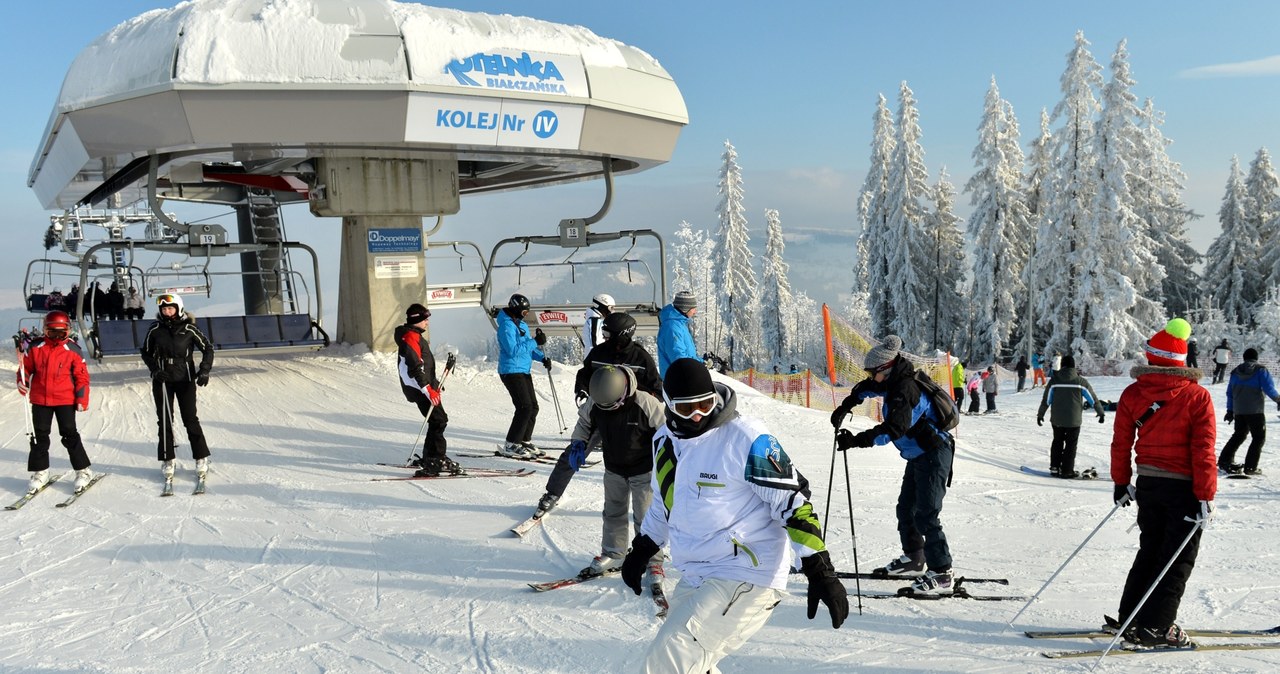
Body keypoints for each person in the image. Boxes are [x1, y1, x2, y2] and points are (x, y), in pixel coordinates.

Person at [622, 358, 847, 671]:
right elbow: (664, 505)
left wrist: (819, 568)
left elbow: (792, 500)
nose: (699, 415)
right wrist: (643, 548)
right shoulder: (664, 443)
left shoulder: (745, 438)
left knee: (669, 659)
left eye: (705, 404)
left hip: (746, 572)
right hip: (697, 572)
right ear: (669, 405)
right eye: (687, 409)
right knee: (694, 663)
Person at [1109, 317, 1215, 648]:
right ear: (1181, 361)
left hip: (1148, 485)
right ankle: (1156, 627)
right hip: (1183, 489)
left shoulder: (1132, 393)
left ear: (1152, 357)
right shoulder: (1197, 397)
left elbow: (1121, 442)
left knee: (1151, 551)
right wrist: (1205, 494)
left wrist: (1121, 481)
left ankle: (1131, 619)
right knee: (1177, 559)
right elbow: (1203, 451)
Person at [831, 335, 956, 593]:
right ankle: (914, 558)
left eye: (871, 371)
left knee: (926, 514)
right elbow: (867, 388)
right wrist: (847, 404)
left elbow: (895, 429)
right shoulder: (893, 380)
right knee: (906, 509)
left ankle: (943, 573)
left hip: (934, 455)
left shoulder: (904, 389)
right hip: (918, 455)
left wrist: (856, 440)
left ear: (884, 369)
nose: (869, 375)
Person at [533, 312, 662, 516]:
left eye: (608, 333)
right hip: (601, 413)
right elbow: (584, 374)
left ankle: (655, 509)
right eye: (604, 333)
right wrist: (583, 390)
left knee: (642, 464)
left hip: (630, 420)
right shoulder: (600, 353)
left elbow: (657, 390)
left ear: (623, 334)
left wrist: (641, 400)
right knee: (575, 450)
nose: (605, 337)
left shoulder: (640, 357)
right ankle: (553, 492)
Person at [563, 365, 667, 579]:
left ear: (622, 394)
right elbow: (584, 422)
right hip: (614, 468)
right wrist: (578, 443)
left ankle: (652, 560)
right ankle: (614, 552)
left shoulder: (646, 403)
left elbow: (666, 432)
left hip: (644, 470)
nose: (605, 410)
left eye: (609, 406)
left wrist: (668, 461)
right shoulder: (596, 401)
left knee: (646, 518)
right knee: (613, 513)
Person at [16, 311, 95, 493]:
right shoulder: (36, 347)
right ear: (45, 330)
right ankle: (40, 471)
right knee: (39, 436)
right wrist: (23, 381)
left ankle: (83, 470)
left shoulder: (73, 350)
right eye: (52, 332)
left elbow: (82, 376)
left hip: (65, 399)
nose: (57, 336)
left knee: (69, 433)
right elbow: (25, 368)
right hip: (40, 399)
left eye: (61, 332)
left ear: (67, 331)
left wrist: (82, 398)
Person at [140, 293, 214, 481]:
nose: (167, 312)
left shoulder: (189, 328)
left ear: (178, 308)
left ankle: (201, 457)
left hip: (185, 379)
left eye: (170, 308)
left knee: (190, 419)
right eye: (164, 309)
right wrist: (155, 370)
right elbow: (146, 352)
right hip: (163, 380)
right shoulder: (155, 329)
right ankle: (168, 459)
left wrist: (204, 370)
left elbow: (207, 348)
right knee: (164, 420)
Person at [395, 303, 462, 477]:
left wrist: (434, 383)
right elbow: (415, 368)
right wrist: (427, 389)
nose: (427, 323)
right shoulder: (410, 337)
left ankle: (430, 456)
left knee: (436, 420)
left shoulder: (414, 335)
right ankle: (435, 459)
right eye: (425, 319)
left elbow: (424, 365)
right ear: (417, 319)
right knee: (439, 420)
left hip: (421, 386)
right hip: (418, 387)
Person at [496, 293, 549, 459]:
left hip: (523, 370)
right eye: (524, 312)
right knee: (524, 407)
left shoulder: (522, 325)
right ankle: (511, 443)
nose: (526, 315)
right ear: (516, 309)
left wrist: (542, 358)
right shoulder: (506, 326)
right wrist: (535, 341)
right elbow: (512, 351)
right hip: (511, 371)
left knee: (533, 407)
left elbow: (528, 349)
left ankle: (524, 440)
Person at [1036, 354, 1105, 478]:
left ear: (1062, 366)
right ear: (1074, 366)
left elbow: (1046, 400)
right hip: (1074, 421)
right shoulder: (1080, 382)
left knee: (1057, 441)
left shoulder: (1054, 381)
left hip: (1057, 419)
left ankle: (1055, 468)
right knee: (1071, 445)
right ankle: (1067, 470)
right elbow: (1092, 399)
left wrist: (1041, 414)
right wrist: (1100, 412)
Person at [1217, 347, 1280, 476]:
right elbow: (1269, 388)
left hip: (1239, 410)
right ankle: (1251, 467)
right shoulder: (1261, 370)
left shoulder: (1235, 372)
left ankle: (1225, 460)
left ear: (1244, 358)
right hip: (1255, 410)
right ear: (1256, 358)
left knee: (1239, 435)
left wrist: (1230, 410)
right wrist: (1278, 399)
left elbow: (1230, 393)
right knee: (1258, 437)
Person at [656, 290, 698, 378]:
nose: (695, 311)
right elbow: (678, 357)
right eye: (693, 308)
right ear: (685, 309)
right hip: (677, 380)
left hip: (683, 376)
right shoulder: (672, 327)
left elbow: (686, 354)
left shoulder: (679, 324)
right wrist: (696, 367)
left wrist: (701, 361)